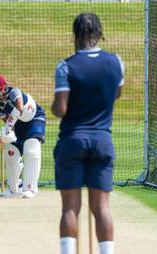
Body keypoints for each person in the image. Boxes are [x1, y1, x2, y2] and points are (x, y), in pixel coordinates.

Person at [52, 13, 124, 254]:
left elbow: (60, 110)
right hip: (103, 139)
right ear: (100, 33)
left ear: (75, 35)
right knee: (102, 207)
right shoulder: (116, 62)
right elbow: (116, 94)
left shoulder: (66, 66)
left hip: (73, 139)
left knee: (70, 208)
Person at [0, 74, 45, 198]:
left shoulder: (14, 92)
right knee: (11, 152)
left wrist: (7, 127)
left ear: (5, 87)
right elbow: (8, 121)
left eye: (0, 90)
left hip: (34, 119)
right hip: (18, 124)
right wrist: (8, 133)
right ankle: (15, 189)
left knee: (31, 147)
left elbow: (19, 107)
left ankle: (30, 188)